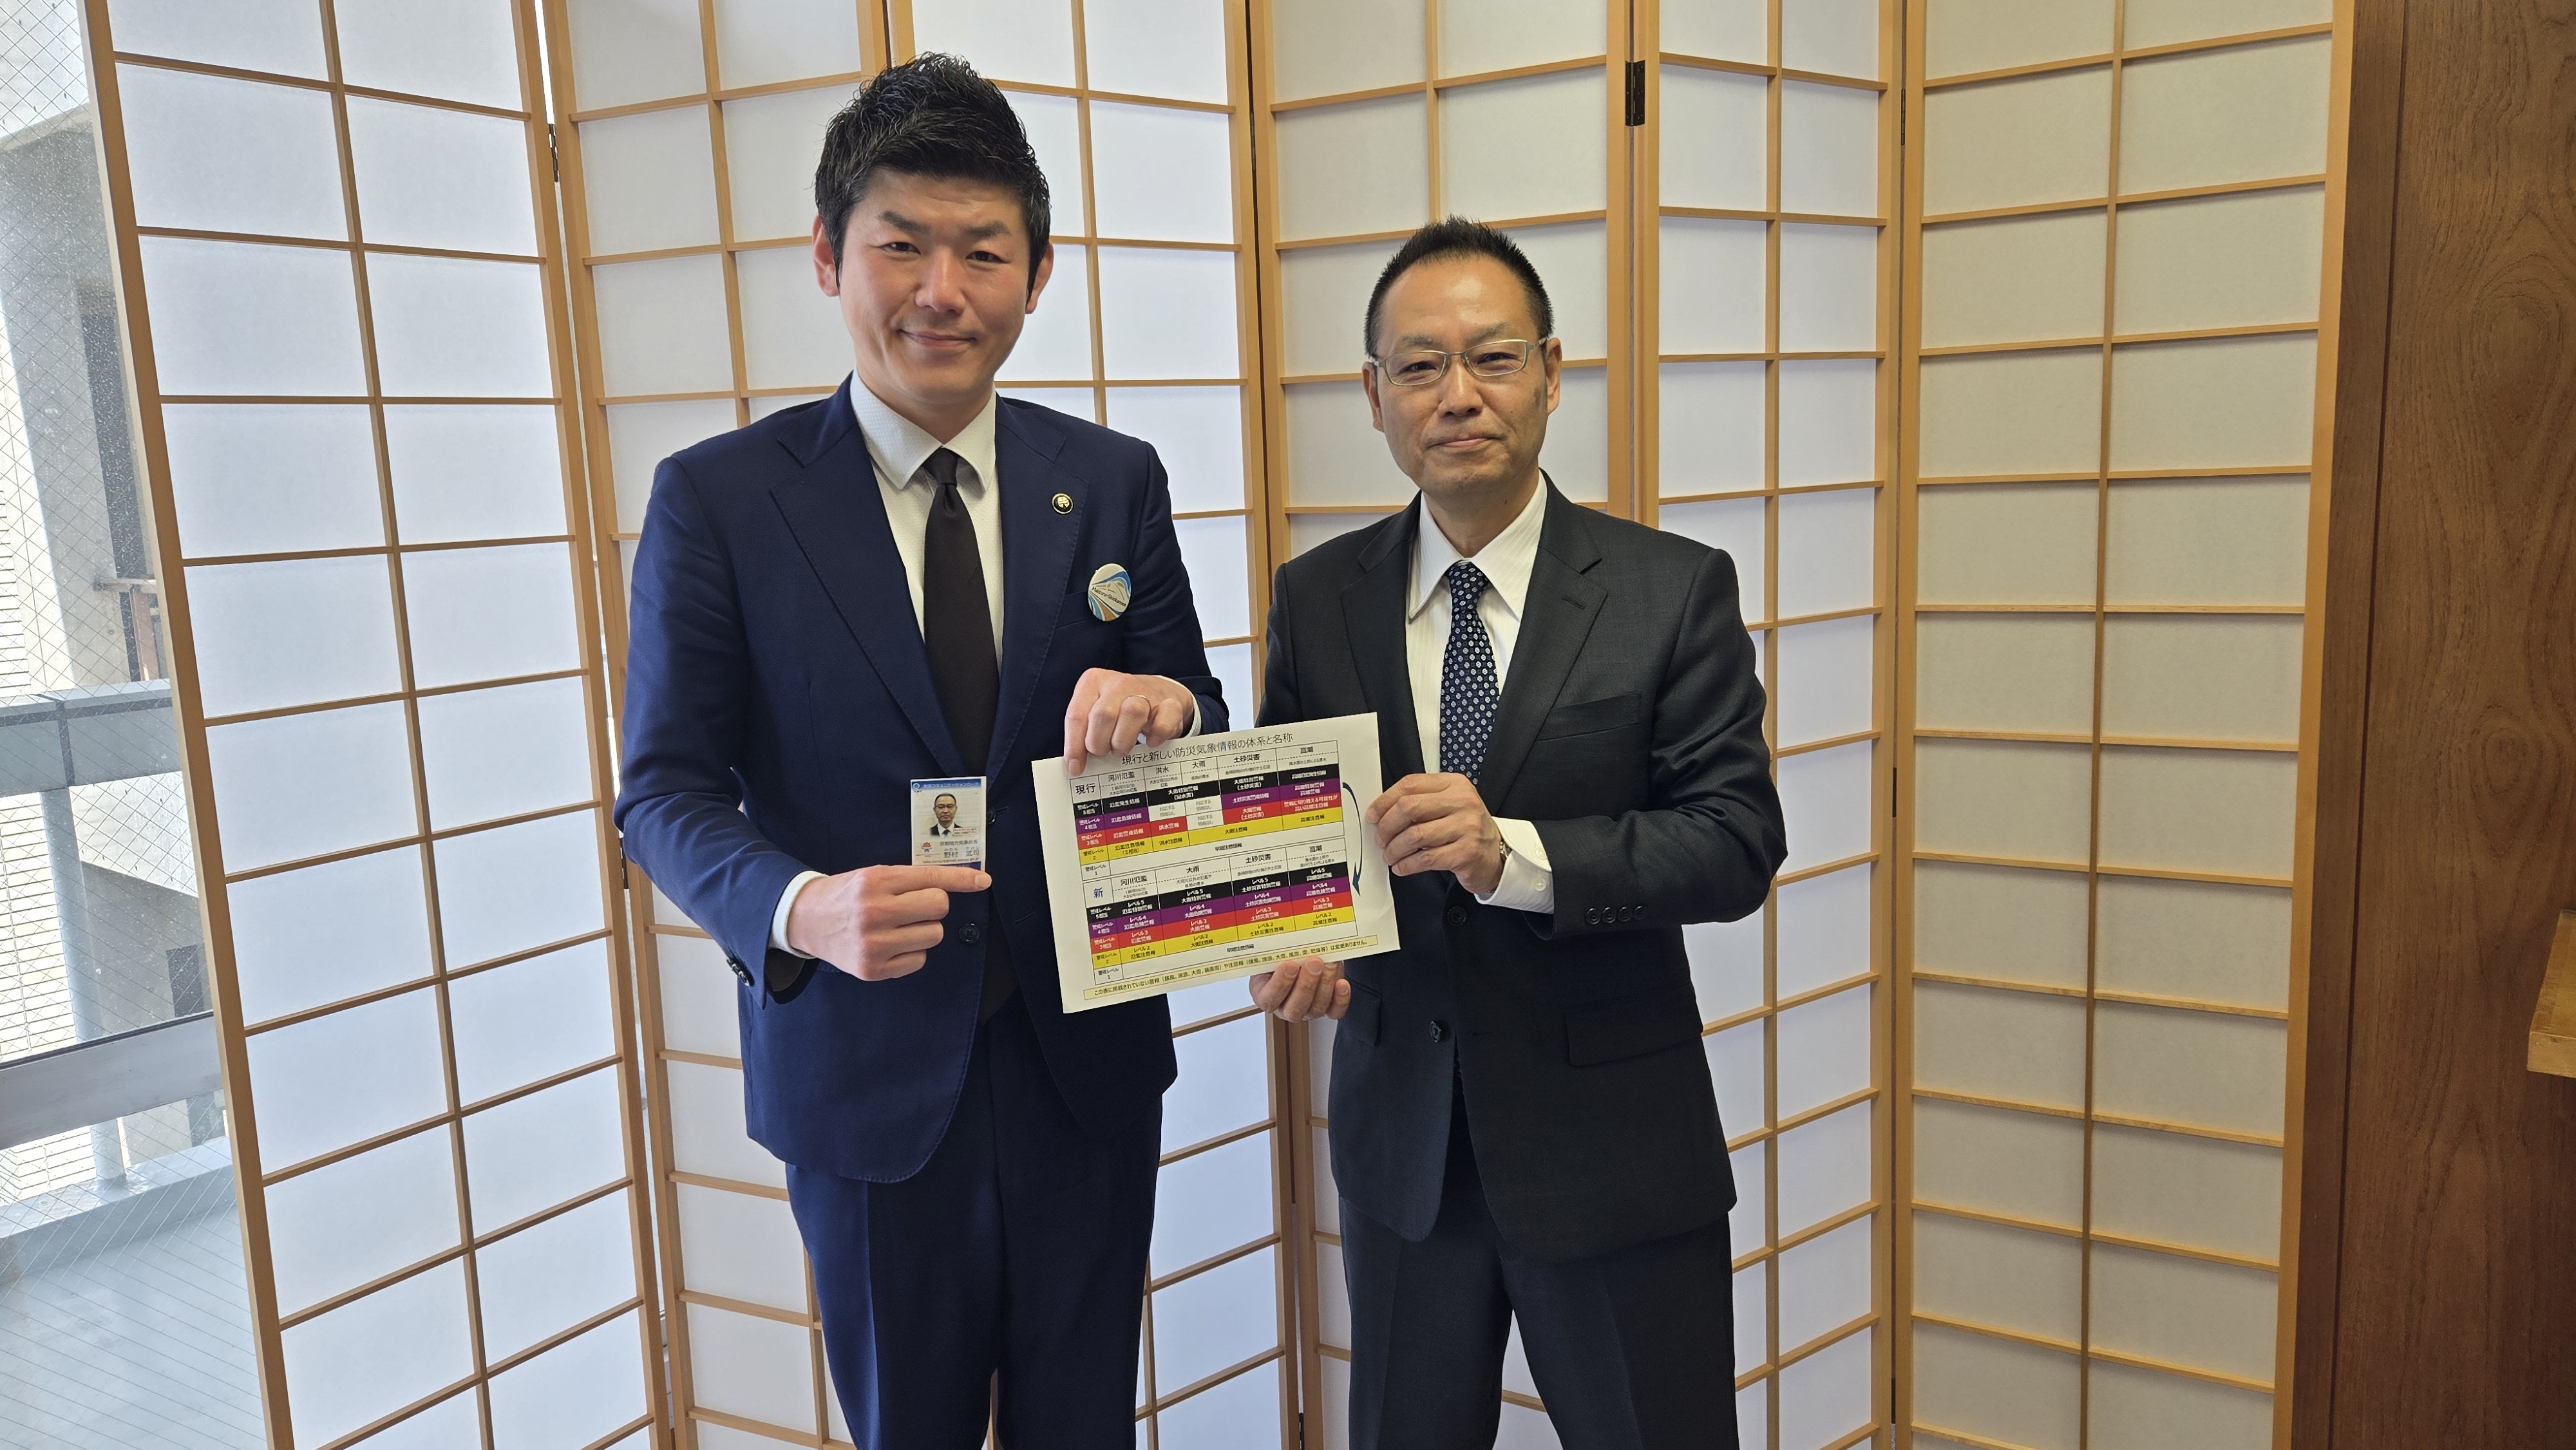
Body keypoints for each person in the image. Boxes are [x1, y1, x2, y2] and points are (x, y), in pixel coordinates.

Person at [613, 55, 1224, 1449]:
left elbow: (1196, 700)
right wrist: (797, 907)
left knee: (1086, 1424)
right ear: (828, 254)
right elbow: (663, 792)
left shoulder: (1110, 479)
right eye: (902, 245)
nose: (942, 290)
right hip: (862, 1061)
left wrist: (1170, 709)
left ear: (1037, 275)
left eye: (983, 252)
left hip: (1085, 1057)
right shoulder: (720, 501)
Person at [1249, 218, 1786, 1449]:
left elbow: (1735, 841)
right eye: (1420, 366)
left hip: (1615, 1153)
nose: (1459, 396)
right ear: (1374, 395)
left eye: (1492, 359)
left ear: (1550, 373)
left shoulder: (1670, 588)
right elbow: (1299, 842)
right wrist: (1292, 941)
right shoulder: (1317, 597)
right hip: (1404, 1159)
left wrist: (1517, 857)